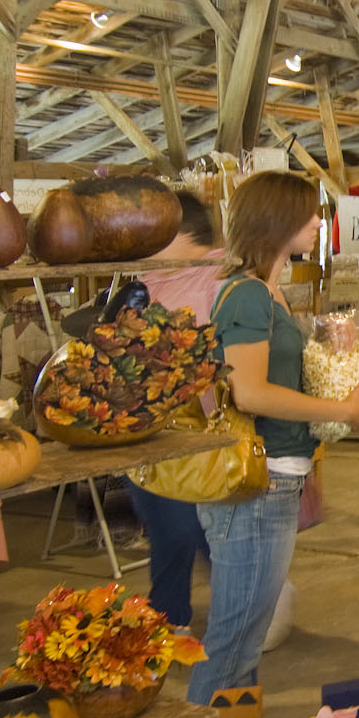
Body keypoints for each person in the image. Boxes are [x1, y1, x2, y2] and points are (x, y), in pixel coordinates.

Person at [187, 171, 359, 718]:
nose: (320, 224)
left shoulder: (266, 292)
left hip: (273, 483)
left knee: (243, 639)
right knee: (233, 641)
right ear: (279, 222)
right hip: (256, 488)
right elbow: (250, 391)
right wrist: (337, 411)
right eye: (311, 214)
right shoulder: (246, 296)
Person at [127, 190, 221, 630]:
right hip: (149, 429)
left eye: (157, 232)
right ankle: (168, 625)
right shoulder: (141, 285)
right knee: (172, 532)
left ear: (184, 232)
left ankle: (245, 604)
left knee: (188, 531)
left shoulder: (222, 276)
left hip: (205, 431)